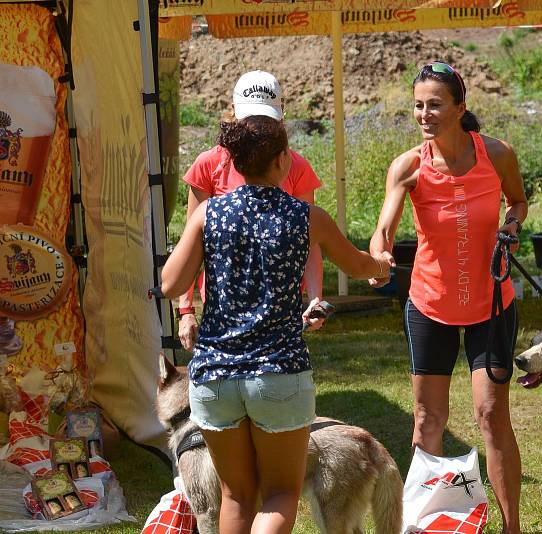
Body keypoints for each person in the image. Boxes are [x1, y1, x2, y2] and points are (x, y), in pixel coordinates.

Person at [160, 114, 393, 534]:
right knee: (281, 493)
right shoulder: (307, 217)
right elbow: (360, 266)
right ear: (284, 159)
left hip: (214, 376)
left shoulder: (209, 214)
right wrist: (382, 264)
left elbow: (170, 282)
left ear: (232, 162)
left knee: (235, 494)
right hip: (279, 374)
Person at [369, 61, 528, 534]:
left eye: (435, 104)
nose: (424, 114)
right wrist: (379, 260)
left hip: (491, 303)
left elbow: (517, 202)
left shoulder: (497, 155)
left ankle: (511, 526)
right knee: (427, 418)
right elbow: (383, 231)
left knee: (491, 412)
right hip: (430, 305)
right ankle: (423, 523)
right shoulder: (408, 166)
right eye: (418, 105)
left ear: (460, 107)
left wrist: (512, 226)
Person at [177, 70, 326, 352]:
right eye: (250, 118)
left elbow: (311, 241)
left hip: (281, 303)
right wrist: (186, 312)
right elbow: (191, 243)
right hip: (223, 303)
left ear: (281, 116)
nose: (257, 127)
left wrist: (315, 299)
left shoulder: (296, 166)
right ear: (233, 114)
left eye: (266, 119)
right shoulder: (208, 164)